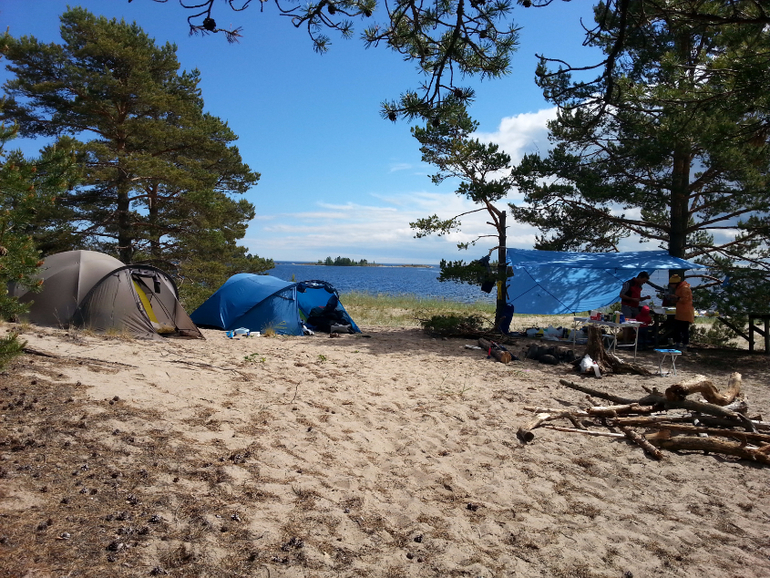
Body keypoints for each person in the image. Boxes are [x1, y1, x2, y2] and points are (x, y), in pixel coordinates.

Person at [667, 274, 694, 351]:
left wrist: (676, 297)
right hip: (680, 312)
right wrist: (674, 300)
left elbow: (685, 300)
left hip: (685, 312)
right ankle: (677, 343)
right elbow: (680, 299)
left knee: (684, 329)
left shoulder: (684, 288)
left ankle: (684, 345)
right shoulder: (679, 288)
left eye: (671, 284)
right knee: (677, 329)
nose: (671, 286)